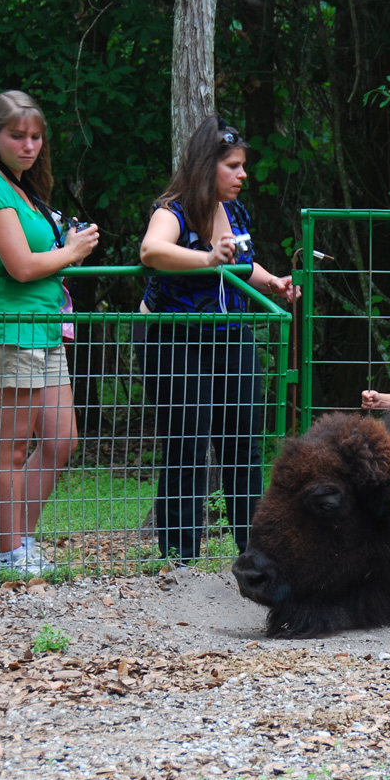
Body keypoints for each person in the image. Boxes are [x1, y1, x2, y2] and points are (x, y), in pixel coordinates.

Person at [138, 115, 297, 569]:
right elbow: (152, 252)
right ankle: (179, 558)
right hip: (176, 337)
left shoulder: (237, 212)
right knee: (187, 441)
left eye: (243, 165)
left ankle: (255, 556)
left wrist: (275, 284)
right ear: (208, 167)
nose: (243, 175)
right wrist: (207, 257)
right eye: (233, 166)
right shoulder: (172, 210)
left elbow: (245, 266)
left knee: (243, 443)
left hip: (232, 337)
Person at [0, 90, 100, 574]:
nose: (29, 145)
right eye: (18, 136)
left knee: (62, 441)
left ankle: (20, 540)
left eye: (36, 136)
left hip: (44, 329)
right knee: (12, 445)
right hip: (8, 329)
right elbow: (20, 267)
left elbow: (43, 260)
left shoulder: (25, 189)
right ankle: (8, 552)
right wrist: (74, 250)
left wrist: (66, 249)